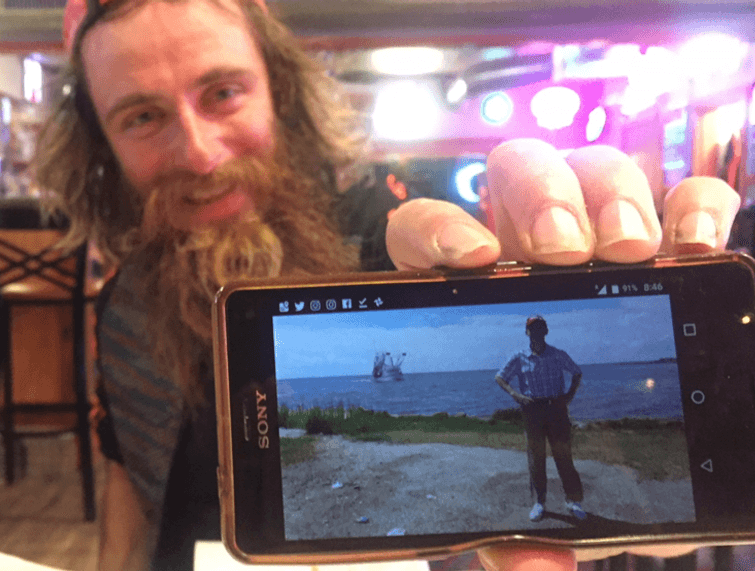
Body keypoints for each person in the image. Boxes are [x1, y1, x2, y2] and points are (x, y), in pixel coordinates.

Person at [37, 0, 742, 569]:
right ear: (101, 148)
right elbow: (128, 488)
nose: (196, 151)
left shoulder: (388, 248)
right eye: (141, 116)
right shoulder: (123, 302)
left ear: (279, 94)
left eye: (222, 92)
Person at [496, 316, 585, 523]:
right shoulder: (519, 357)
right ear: (527, 332)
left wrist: (569, 395)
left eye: (540, 327)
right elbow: (500, 377)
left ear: (546, 330)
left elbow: (577, 372)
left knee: (563, 456)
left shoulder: (557, 355)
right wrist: (515, 394)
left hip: (556, 410)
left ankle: (574, 501)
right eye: (532, 328)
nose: (536, 331)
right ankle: (539, 502)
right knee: (536, 459)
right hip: (532, 411)